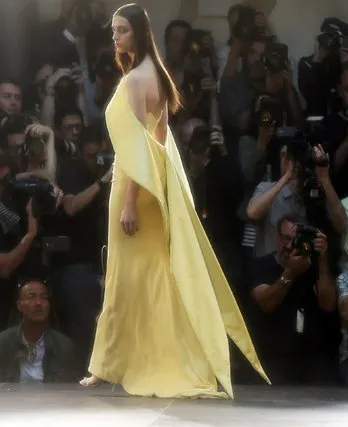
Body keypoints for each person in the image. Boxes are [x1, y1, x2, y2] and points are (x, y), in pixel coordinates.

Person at [79, 3, 269, 399]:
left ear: (140, 33)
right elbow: (160, 141)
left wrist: (131, 201)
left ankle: (122, 362)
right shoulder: (155, 76)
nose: (115, 37)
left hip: (134, 188)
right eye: (113, 31)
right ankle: (113, 361)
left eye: (122, 31)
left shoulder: (136, 81)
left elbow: (139, 146)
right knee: (139, 275)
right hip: (148, 186)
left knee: (134, 277)